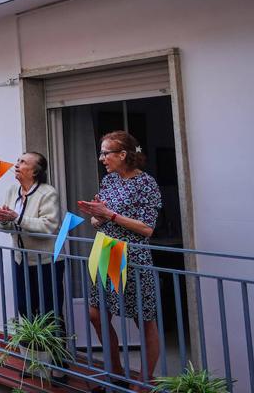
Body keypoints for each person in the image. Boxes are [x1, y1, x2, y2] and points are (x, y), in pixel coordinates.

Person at [78, 131, 162, 391]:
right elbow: (99, 220)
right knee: (96, 314)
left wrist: (110, 214)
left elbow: (147, 228)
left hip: (133, 255)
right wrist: (96, 215)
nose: (102, 158)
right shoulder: (109, 181)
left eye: (106, 153)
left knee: (143, 318)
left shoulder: (146, 183)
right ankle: (114, 370)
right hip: (106, 250)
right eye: (102, 152)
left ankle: (145, 381)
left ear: (123, 155)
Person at [0, 152, 67, 380]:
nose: (17, 165)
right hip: (21, 259)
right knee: (25, 310)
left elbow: (48, 227)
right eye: (18, 161)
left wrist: (16, 217)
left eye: (23, 162)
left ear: (35, 171)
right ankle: (34, 363)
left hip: (45, 262)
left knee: (50, 312)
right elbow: (6, 228)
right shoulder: (12, 191)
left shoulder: (48, 193)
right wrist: (4, 219)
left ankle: (58, 364)